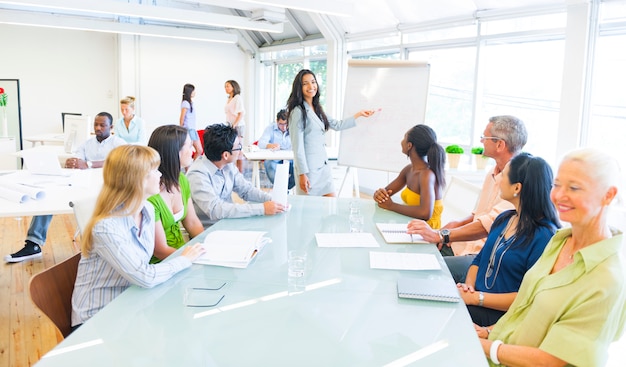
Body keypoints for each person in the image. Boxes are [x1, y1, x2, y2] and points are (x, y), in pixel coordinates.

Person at [476, 147, 625, 367]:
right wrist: (487, 332)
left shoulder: (607, 280)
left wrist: (486, 346)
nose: (559, 195)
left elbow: (551, 360)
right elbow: (527, 308)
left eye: (574, 188)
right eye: (556, 185)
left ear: (608, 195)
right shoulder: (559, 241)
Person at [71, 145, 205, 329]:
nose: (160, 175)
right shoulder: (106, 227)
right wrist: (184, 260)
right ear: (137, 179)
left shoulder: (147, 210)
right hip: (96, 319)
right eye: (154, 170)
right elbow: (144, 275)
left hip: (131, 305)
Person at [407, 115, 528, 280]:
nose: (481, 141)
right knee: (414, 253)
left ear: (500, 144)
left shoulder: (517, 181)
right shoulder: (491, 173)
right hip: (462, 246)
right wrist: (454, 225)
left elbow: (487, 226)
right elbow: (479, 214)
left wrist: (443, 235)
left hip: (483, 257)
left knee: (422, 267)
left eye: (484, 138)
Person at [4, 112, 126, 263]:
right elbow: (78, 160)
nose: (98, 128)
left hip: (105, 188)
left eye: (102, 125)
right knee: (49, 196)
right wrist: (73, 163)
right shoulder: (87, 144)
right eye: (96, 124)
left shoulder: (119, 143)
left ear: (111, 127)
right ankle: (33, 243)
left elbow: (118, 161)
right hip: (83, 185)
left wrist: (88, 164)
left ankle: (95, 248)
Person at [458, 153, 560, 327]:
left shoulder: (544, 236)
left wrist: (476, 298)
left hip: (502, 318)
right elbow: (479, 260)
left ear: (517, 188)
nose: (498, 180)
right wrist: (469, 287)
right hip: (477, 301)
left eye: (504, 175)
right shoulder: (504, 219)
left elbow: (528, 297)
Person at [287, 69, 375, 197]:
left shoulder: (317, 108)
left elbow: (337, 125)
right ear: (299, 88)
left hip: (323, 168)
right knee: (311, 212)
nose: (311, 86)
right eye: (305, 83)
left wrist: (359, 115)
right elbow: (298, 148)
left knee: (331, 205)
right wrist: (302, 174)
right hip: (309, 171)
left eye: (313, 82)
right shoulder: (298, 112)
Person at [187, 123, 285, 226]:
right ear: (225, 155)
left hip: (229, 222)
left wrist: (272, 199)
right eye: (238, 147)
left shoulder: (227, 165)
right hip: (210, 230)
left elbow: (246, 190)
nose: (240, 151)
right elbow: (216, 210)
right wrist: (262, 209)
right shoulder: (197, 174)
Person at [147, 125, 204, 263]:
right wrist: (192, 258)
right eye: (190, 146)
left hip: (182, 255)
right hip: (160, 264)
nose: (194, 150)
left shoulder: (181, 179)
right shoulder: (150, 193)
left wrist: (205, 247)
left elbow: (192, 222)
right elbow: (160, 251)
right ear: (175, 152)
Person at [373, 124, 446, 229]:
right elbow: (387, 192)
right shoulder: (409, 169)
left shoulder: (427, 175)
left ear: (409, 145)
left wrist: (391, 206)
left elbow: (425, 213)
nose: (401, 142)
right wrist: (379, 194)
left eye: (404, 138)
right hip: (412, 227)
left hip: (428, 232)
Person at [257, 108, 295, 189]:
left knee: (298, 170)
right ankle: (281, 188)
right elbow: (261, 143)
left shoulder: (293, 128)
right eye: (281, 124)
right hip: (274, 158)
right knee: (269, 165)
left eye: (286, 124)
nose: (284, 127)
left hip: (290, 158)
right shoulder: (270, 128)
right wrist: (270, 145)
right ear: (277, 121)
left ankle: (284, 189)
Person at [224, 80, 245, 173]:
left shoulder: (237, 98)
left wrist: (234, 125)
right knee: (231, 148)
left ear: (233, 87)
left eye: (228, 86)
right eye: (225, 86)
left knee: (238, 150)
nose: (226, 88)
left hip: (238, 126)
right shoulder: (229, 98)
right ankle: (233, 172)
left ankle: (240, 173)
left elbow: (241, 113)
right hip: (230, 126)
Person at [179, 83, 203, 158]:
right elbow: (182, 117)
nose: (194, 92)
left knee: (197, 150)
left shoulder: (190, 103)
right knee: (198, 150)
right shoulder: (186, 103)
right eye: (193, 91)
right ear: (190, 92)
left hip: (192, 129)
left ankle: (190, 168)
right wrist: (181, 129)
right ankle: (190, 168)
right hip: (189, 129)